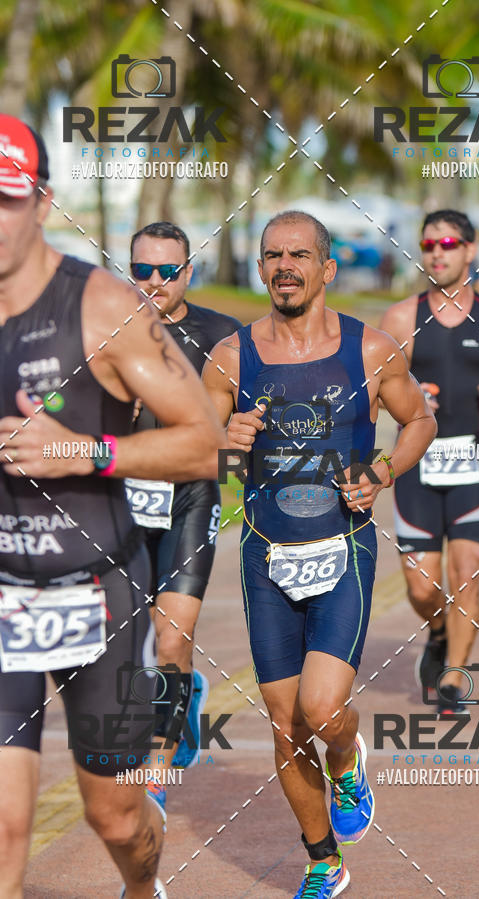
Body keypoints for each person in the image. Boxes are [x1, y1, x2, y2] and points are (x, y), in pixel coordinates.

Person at [0, 114, 225, 898]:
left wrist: (82, 450)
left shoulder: (103, 309)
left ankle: (141, 886)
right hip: (1, 595)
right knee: (4, 827)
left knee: (119, 818)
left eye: (7, 200)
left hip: (97, 591)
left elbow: (202, 444)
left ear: (41, 202)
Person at [203, 210, 436, 898]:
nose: (285, 266)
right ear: (260, 267)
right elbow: (196, 443)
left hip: (342, 547)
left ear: (326, 267)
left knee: (323, 710)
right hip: (265, 552)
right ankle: (323, 861)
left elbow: (419, 416)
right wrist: (226, 438)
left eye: (299, 255)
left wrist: (384, 471)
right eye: (273, 255)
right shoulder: (230, 356)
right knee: (283, 725)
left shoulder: (371, 349)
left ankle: (346, 759)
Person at [380, 209, 479, 716]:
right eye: (428, 244)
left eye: (448, 243)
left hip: (472, 464)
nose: (437, 252)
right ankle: (436, 629)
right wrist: (406, 396)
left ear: (470, 250)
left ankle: (452, 682)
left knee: (467, 571)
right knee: (421, 585)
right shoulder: (401, 318)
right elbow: (373, 390)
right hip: (417, 465)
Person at [128, 222, 241, 789]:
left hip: (192, 497)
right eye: (141, 270)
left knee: (172, 636)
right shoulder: (108, 329)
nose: (153, 281)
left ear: (187, 272)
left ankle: (156, 773)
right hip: (122, 499)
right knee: (131, 643)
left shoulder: (221, 335)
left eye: (166, 271)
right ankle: (183, 693)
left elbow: (254, 421)